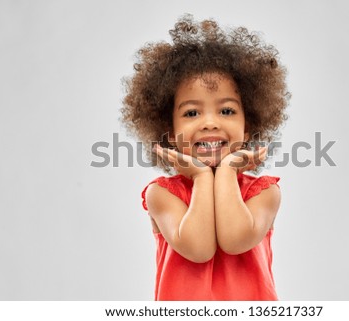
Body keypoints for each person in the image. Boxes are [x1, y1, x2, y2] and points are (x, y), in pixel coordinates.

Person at [121, 14, 289, 300]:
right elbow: (198, 249)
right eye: (191, 113)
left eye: (226, 111)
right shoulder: (162, 194)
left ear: (247, 127)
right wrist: (200, 177)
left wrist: (225, 172)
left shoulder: (263, 193)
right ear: (170, 133)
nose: (210, 123)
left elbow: (236, 240)